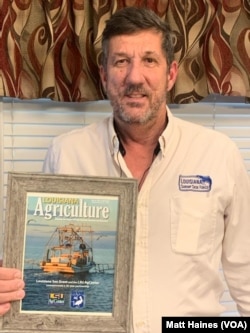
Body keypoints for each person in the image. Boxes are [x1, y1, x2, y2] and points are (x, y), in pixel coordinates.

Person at [1, 6, 250, 332]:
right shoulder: (67, 154)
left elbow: (246, 273)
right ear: (104, 75)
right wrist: (12, 290)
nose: (135, 77)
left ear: (171, 74)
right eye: (121, 62)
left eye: (149, 60)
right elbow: (44, 293)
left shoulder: (219, 155)